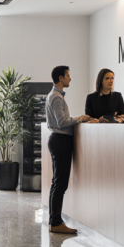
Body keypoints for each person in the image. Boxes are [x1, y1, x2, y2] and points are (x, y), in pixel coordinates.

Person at [46, 66, 91, 234]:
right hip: (61, 140)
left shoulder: (55, 96)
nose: (70, 78)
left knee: (57, 183)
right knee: (60, 184)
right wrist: (79, 119)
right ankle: (56, 222)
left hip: (58, 140)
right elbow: (61, 122)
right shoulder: (56, 97)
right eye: (68, 75)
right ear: (60, 77)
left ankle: (55, 220)